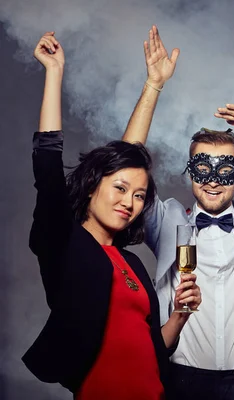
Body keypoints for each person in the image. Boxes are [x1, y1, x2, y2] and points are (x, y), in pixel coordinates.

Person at [121, 26, 234, 400]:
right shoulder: (167, 221)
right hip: (181, 377)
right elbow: (121, 167)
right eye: (202, 170)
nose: (213, 182)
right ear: (190, 173)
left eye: (225, 171)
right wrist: (153, 86)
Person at [23, 32, 200, 399]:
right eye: (119, 190)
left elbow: (156, 349)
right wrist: (54, 73)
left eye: (138, 196)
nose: (129, 202)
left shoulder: (132, 262)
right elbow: (48, 165)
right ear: (91, 187)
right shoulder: (65, 243)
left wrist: (180, 315)